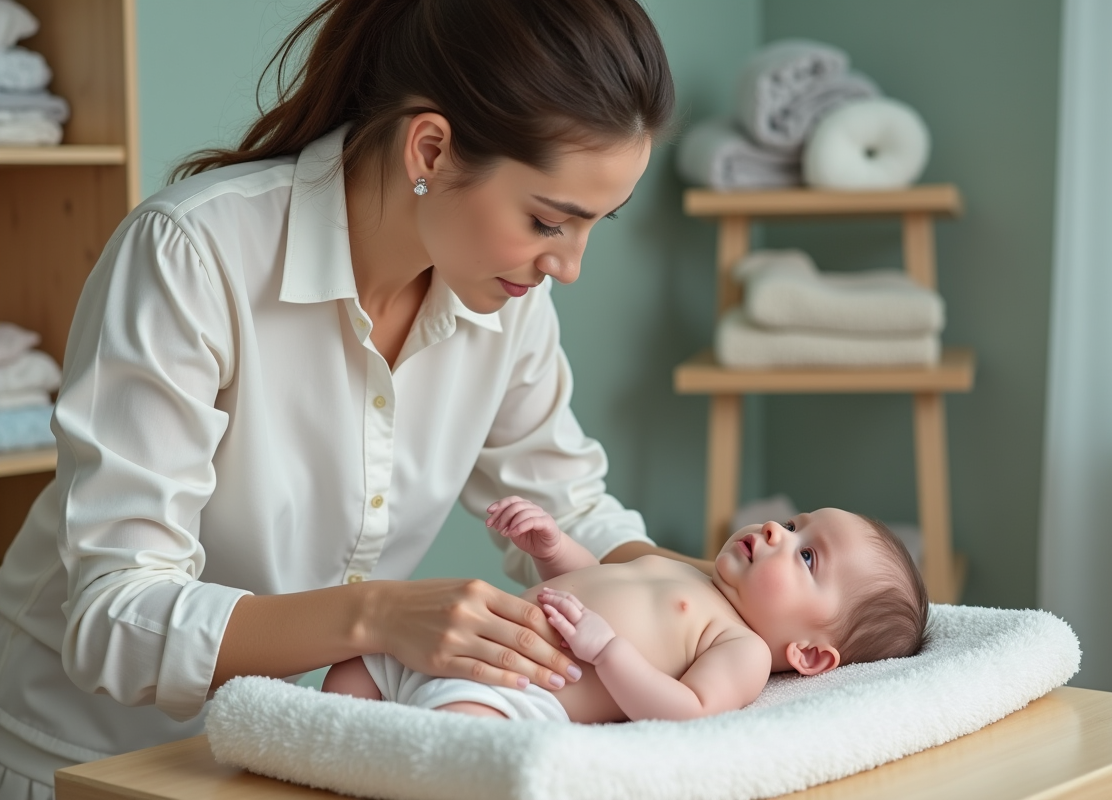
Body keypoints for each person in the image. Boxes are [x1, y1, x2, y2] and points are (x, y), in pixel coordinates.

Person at [0, 0, 691, 792]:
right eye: (548, 221)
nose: (567, 266)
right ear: (430, 148)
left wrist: (722, 599)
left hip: (264, 755)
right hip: (75, 762)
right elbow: (115, 618)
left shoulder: (505, 300)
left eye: (594, 224)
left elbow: (569, 510)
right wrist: (379, 617)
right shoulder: (194, 256)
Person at [322, 496, 930, 722]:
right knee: (348, 675)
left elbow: (686, 710)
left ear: (810, 654)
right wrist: (554, 550)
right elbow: (595, 582)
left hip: (518, 688)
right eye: (795, 523)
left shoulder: (738, 648)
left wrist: (608, 652)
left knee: (459, 739)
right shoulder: (689, 573)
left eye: (806, 557)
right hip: (468, 637)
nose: (776, 529)